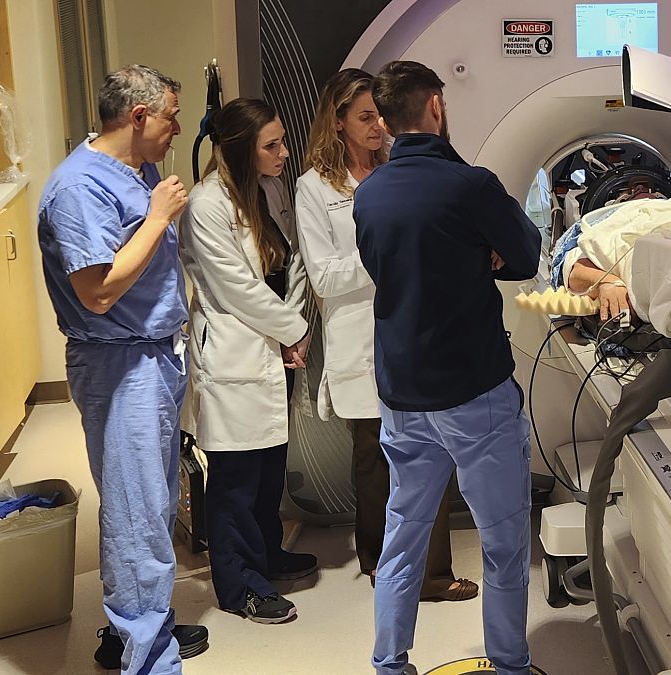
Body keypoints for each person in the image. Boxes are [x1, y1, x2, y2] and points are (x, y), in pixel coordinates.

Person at [355, 60, 541, 675]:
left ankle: (389, 662)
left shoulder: (370, 193)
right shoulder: (470, 186)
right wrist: (478, 258)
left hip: (403, 393)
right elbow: (525, 257)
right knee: (503, 542)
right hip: (473, 391)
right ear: (436, 105)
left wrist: (462, 258)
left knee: (403, 535)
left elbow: (391, 269)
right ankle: (509, 665)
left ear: (383, 119)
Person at [38, 64, 208, 674]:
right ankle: (149, 659)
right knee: (137, 514)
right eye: (170, 117)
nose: (178, 128)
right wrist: (160, 216)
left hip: (152, 356)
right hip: (119, 363)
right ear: (137, 118)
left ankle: (135, 630)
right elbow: (99, 290)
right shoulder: (80, 188)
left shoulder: (137, 170)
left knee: (154, 505)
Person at [294, 68, 477, 601]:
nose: (378, 127)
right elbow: (324, 275)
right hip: (357, 336)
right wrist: (388, 253)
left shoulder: (401, 167)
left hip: (414, 327)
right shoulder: (314, 188)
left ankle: (434, 573)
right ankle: (381, 564)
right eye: (366, 118)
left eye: (381, 115)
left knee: (431, 449)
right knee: (374, 459)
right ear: (339, 122)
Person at [179, 98, 317, 624]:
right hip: (237, 351)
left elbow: (294, 261)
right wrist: (293, 329)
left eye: (282, 141)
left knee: (268, 468)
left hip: (276, 347)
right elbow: (234, 287)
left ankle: (268, 555)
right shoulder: (206, 204)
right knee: (235, 478)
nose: (284, 152)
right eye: (272, 145)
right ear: (240, 150)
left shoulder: (273, 187)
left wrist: (293, 333)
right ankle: (241, 587)